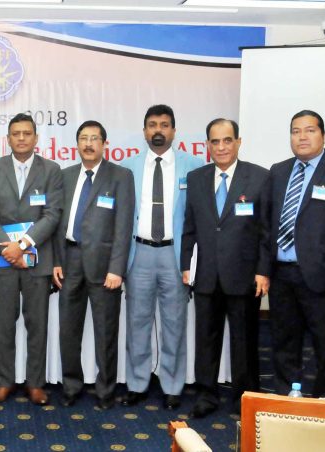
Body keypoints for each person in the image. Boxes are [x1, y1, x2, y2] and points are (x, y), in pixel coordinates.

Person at [181, 118, 270, 417]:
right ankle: (207, 395)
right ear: (207, 145)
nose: (221, 147)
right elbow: (189, 228)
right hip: (205, 274)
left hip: (244, 276)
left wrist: (263, 270)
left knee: (244, 341)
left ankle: (246, 398)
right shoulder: (195, 178)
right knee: (205, 340)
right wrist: (186, 266)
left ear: (238, 142)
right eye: (215, 141)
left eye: (227, 140)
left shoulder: (259, 177)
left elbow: (265, 231)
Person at [267, 110, 325, 398]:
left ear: (323, 135)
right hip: (281, 273)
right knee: (283, 343)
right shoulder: (278, 171)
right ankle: (286, 399)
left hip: (322, 274)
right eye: (295, 131)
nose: (302, 137)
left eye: (309, 130)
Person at [120, 104, 204, 410]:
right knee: (137, 323)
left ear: (174, 130)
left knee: (174, 323)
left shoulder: (193, 166)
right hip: (138, 253)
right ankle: (137, 383)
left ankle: (172, 385)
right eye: (153, 125)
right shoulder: (127, 167)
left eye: (165, 125)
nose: (158, 130)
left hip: (175, 255)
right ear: (144, 131)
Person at [0, 113, 63, 405]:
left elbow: (52, 214)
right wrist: (9, 249)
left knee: (36, 324)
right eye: (16, 133)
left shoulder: (51, 170)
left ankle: (35, 384)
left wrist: (24, 244)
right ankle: (4, 382)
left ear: (36, 138)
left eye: (27, 133)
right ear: (8, 138)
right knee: (4, 323)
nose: (22, 138)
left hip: (37, 261)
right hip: (3, 261)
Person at [53, 121, 135, 410]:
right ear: (76, 143)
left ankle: (105, 391)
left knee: (105, 331)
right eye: (83, 139)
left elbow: (124, 226)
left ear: (104, 144)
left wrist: (117, 268)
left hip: (104, 267)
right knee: (68, 330)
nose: (88, 144)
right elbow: (54, 222)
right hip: (69, 261)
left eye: (94, 139)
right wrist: (55, 261)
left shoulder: (120, 176)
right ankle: (71, 386)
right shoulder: (64, 175)